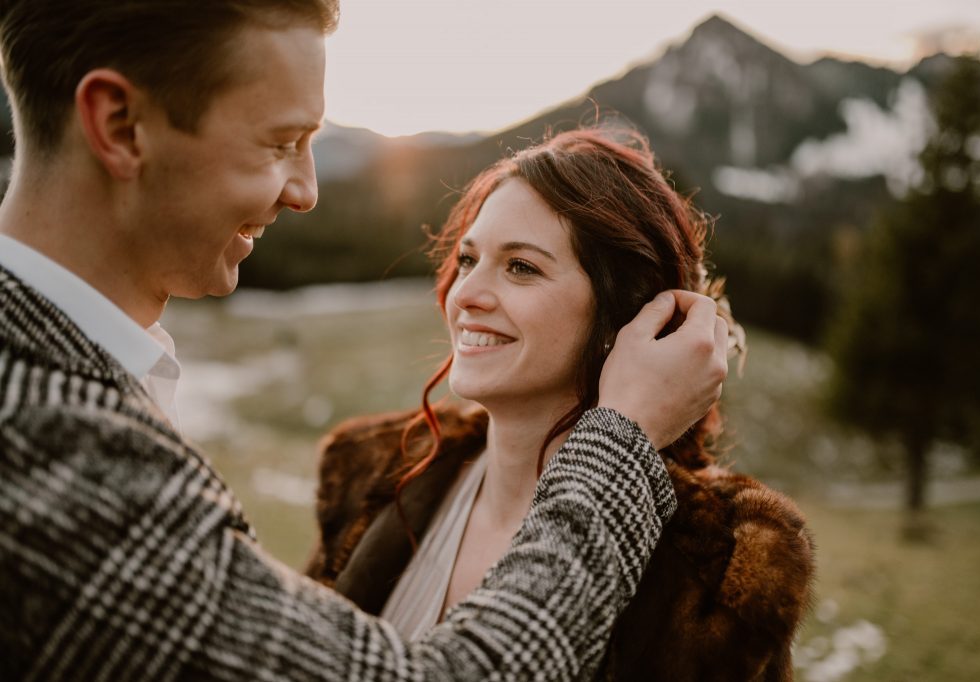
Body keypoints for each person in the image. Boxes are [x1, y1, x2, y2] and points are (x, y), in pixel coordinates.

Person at [0, 2, 731, 680]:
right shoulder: (46, 438)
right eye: (280, 142)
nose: (305, 191)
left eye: (522, 266)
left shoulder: (726, 572)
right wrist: (623, 439)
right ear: (121, 125)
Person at [306, 128, 815, 681]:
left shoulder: (716, 575)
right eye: (468, 258)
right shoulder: (370, 472)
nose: (467, 293)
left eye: (521, 266)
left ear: (626, 315)